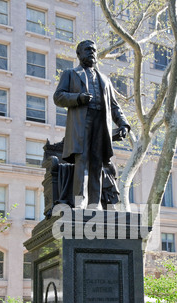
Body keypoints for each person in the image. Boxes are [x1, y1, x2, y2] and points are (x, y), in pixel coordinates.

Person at [54, 39, 130, 210]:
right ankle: (80, 201)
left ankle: (94, 204)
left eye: (94, 50)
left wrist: (124, 124)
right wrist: (78, 98)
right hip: (81, 123)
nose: (92, 52)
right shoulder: (70, 74)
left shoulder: (105, 79)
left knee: (97, 163)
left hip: (101, 124)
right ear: (79, 53)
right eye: (87, 49)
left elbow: (114, 106)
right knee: (82, 161)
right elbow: (58, 97)